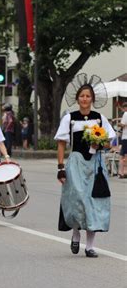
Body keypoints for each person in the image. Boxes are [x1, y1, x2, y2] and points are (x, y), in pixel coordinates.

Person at [54, 74, 115, 258]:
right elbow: (62, 144)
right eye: (82, 96)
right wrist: (60, 167)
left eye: (88, 96)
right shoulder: (70, 118)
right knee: (77, 199)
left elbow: (109, 143)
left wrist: (99, 144)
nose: (85, 99)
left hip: (95, 165)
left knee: (94, 202)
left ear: (92, 99)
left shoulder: (99, 119)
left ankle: (89, 246)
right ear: (77, 98)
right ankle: (75, 232)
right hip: (76, 163)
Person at [118, 102, 127, 178]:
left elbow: (123, 124)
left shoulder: (125, 114)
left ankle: (122, 172)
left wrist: (119, 124)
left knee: (122, 156)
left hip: (125, 137)